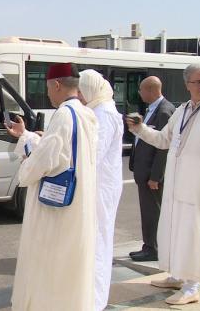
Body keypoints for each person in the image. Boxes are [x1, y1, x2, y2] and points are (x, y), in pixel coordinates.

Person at [6, 63, 98, 311]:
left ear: (56, 85)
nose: (48, 93)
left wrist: (25, 167)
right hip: (78, 205)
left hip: (56, 212)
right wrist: (26, 136)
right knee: (69, 269)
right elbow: (61, 151)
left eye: (48, 88)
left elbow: (42, 162)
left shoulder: (64, 114)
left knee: (50, 268)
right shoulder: (86, 113)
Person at [126, 63, 200, 305]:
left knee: (193, 236)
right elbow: (163, 139)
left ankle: (191, 286)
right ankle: (177, 275)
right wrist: (140, 129)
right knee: (174, 232)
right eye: (199, 81)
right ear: (187, 84)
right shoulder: (182, 110)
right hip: (176, 185)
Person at [78, 69, 123, 311]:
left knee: (98, 242)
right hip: (101, 184)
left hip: (101, 187)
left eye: (82, 90)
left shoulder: (103, 112)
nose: (80, 95)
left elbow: (94, 151)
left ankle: (95, 301)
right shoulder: (99, 108)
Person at [128, 76, 175, 262]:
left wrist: (156, 176)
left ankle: (152, 248)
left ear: (151, 90)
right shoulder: (152, 109)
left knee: (152, 212)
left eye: (141, 90)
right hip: (144, 172)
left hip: (151, 175)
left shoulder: (164, 111)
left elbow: (163, 148)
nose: (139, 94)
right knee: (149, 211)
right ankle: (149, 245)